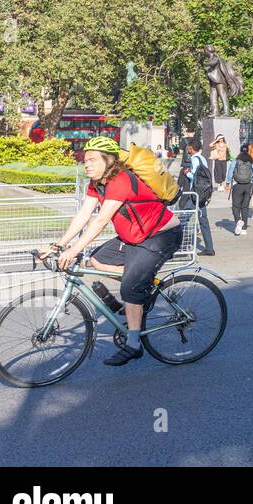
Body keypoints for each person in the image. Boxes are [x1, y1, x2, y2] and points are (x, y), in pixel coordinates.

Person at [41, 136, 183, 367]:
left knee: (130, 288)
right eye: (84, 160)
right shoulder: (96, 183)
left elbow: (100, 221)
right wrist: (59, 245)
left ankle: (134, 344)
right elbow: (83, 216)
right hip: (134, 236)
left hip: (161, 236)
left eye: (92, 160)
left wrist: (74, 249)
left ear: (108, 161)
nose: (86, 164)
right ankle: (141, 288)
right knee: (96, 260)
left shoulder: (120, 180)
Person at [180, 140, 215, 256]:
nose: (187, 150)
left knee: (183, 218)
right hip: (203, 194)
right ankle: (209, 248)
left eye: (188, 148)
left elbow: (194, 176)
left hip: (194, 193)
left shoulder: (194, 159)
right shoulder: (203, 158)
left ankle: (179, 246)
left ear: (191, 148)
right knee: (203, 220)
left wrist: (186, 173)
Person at [225, 142, 253, 235]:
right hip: (249, 185)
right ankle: (244, 229)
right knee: (245, 207)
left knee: (235, 206)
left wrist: (228, 183)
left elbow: (230, 172)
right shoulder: (251, 160)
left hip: (237, 185)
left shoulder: (236, 160)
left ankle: (238, 221)